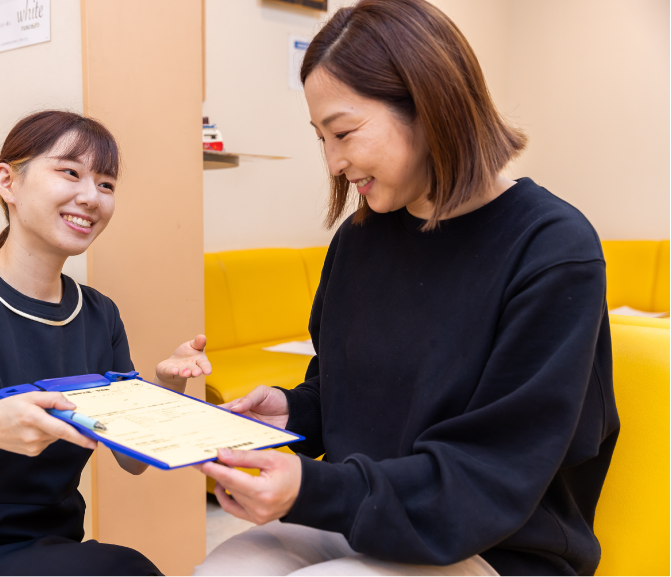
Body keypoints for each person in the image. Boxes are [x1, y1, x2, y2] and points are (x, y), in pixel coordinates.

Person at [195, 1, 616, 576]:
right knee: (226, 568)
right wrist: (292, 412)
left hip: (495, 544)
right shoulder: (361, 238)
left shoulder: (551, 249)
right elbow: (348, 389)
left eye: (344, 132)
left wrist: (316, 489)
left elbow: (489, 472)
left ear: (430, 105)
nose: (335, 162)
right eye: (322, 138)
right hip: (370, 520)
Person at [0, 110, 211, 577]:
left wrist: (167, 389)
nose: (91, 197)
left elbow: (132, 461)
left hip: (46, 551)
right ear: (8, 182)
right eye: (70, 172)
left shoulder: (98, 314)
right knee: (121, 569)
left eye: (106, 185)